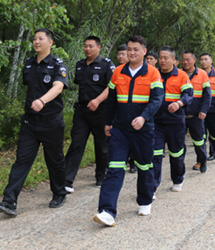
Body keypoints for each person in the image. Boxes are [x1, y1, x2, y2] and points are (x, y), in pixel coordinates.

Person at [0, 28, 69, 217]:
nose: (36, 42)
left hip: (51, 122)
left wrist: (42, 101)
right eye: (35, 39)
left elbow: (58, 87)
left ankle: (59, 193)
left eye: (40, 39)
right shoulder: (28, 64)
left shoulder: (57, 64)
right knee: (22, 160)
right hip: (30, 123)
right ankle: (9, 201)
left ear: (50, 42)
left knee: (55, 160)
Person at [94, 35, 163, 226]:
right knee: (114, 168)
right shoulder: (117, 72)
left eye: (135, 49)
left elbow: (157, 99)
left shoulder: (153, 73)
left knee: (144, 166)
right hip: (120, 130)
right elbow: (112, 100)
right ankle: (107, 211)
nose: (131, 53)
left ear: (144, 52)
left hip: (143, 130)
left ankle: (145, 200)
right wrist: (108, 123)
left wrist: (143, 117)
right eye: (129, 49)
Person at [64, 36, 116, 194]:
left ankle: (101, 176)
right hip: (82, 111)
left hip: (101, 110)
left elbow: (112, 86)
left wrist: (98, 100)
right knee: (76, 144)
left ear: (99, 48)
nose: (87, 49)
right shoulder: (80, 65)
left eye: (91, 46)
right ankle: (66, 180)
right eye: (85, 46)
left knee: (102, 146)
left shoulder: (107, 64)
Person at [153, 46, 193, 193]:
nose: (162, 61)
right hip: (156, 121)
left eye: (166, 58)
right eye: (161, 58)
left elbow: (189, 94)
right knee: (155, 154)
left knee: (176, 153)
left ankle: (177, 179)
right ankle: (152, 186)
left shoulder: (182, 76)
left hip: (175, 121)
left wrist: (179, 103)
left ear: (174, 60)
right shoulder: (153, 74)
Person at [181, 50, 211, 172]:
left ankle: (202, 161)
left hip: (196, 115)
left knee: (199, 141)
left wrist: (204, 110)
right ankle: (179, 164)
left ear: (194, 60)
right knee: (179, 141)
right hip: (180, 115)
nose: (185, 62)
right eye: (183, 60)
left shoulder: (202, 74)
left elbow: (207, 95)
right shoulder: (178, 74)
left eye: (188, 59)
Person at [117, 44, 137, 173]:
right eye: (118, 54)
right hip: (120, 113)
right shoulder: (117, 70)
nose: (120, 57)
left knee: (133, 139)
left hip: (135, 111)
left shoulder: (137, 71)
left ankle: (133, 162)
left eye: (123, 54)